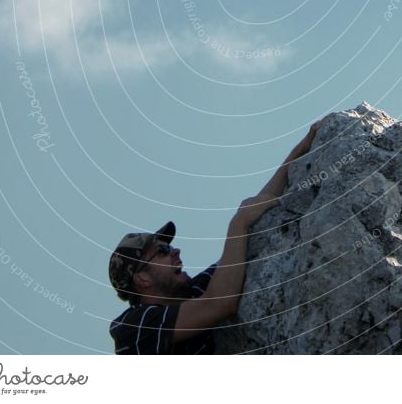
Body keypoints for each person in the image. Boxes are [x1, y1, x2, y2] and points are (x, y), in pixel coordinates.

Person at [108, 116, 329, 354]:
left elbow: (250, 230)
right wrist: (238, 223)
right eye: (162, 251)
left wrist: (302, 148)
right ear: (142, 279)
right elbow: (221, 303)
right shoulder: (132, 327)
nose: (175, 250)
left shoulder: (191, 294)